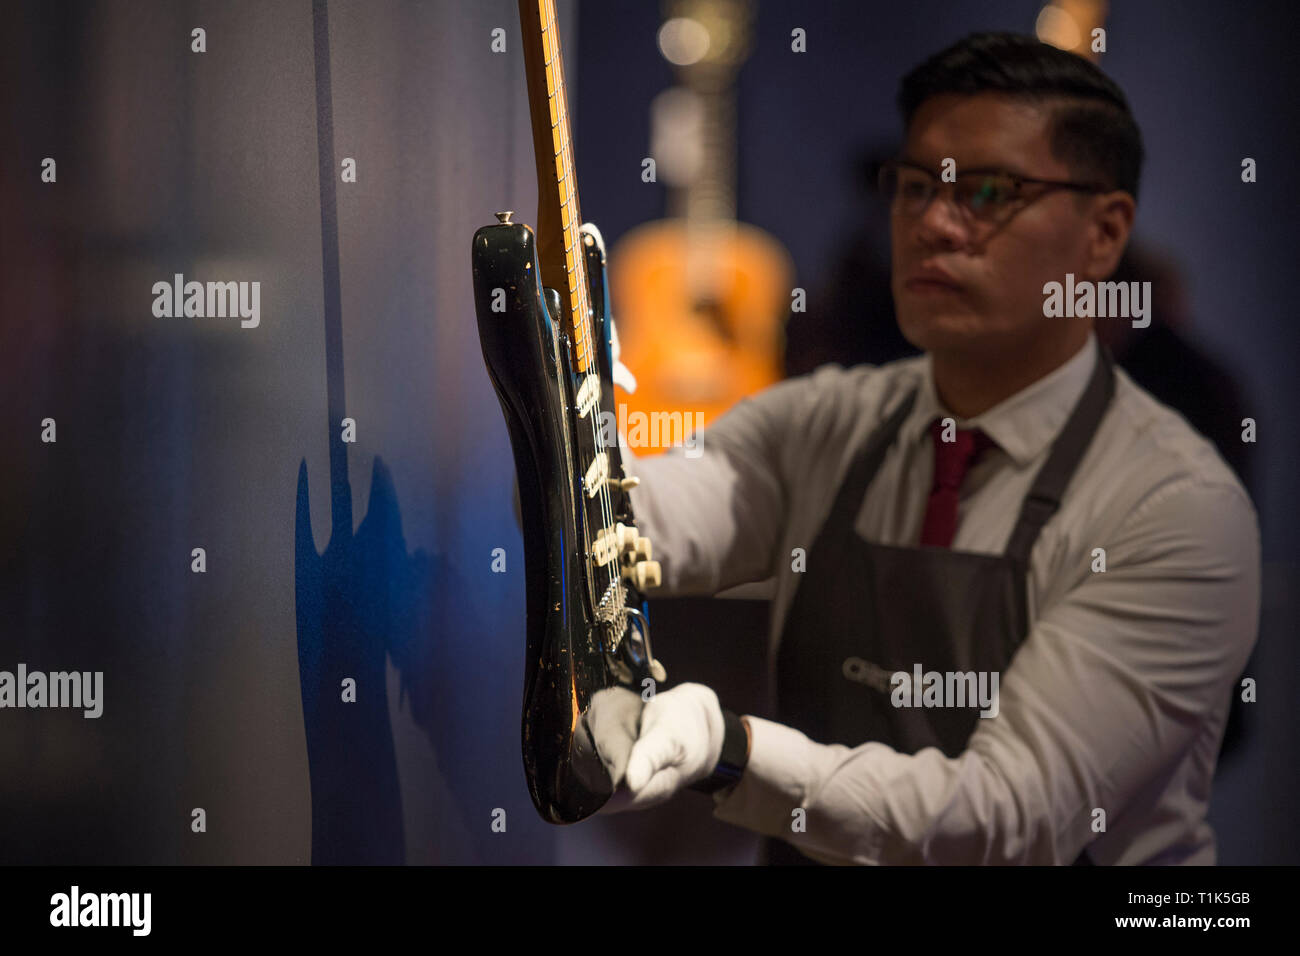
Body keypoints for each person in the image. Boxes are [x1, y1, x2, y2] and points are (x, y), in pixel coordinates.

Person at [590, 32, 1260, 865]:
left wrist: (729, 749)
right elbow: (627, 519)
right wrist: (557, 417)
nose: (933, 223)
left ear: (1103, 233)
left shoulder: (1174, 509)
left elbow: (1004, 815)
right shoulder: (826, 423)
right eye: (914, 187)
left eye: (988, 192)